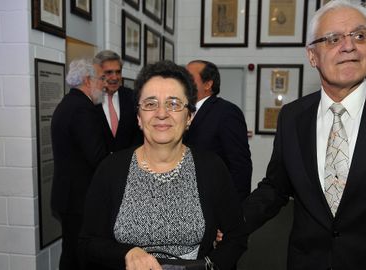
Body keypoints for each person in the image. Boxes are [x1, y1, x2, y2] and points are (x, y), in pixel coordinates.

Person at [242, 1, 366, 269]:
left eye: (359, 36)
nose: (348, 46)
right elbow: (276, 186)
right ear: (312, 55)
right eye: (333, 39)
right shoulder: (293, 117)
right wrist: (235, 220)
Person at [79, 61, 247, 270]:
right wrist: (126, 253)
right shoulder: (111, 169)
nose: (161, 113)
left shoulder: (211, 167)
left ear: (189, 117)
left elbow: (236, 237)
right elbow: (88, 242)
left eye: (174, 104)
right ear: (139, 117)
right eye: (150, 104)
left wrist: (209, 265)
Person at [51, 58, 109, 270]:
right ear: (87, 80)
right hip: (79, 200)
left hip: (68, 198)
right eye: (101, 78)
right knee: (79, 258)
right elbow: (97, 157)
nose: (104, 84)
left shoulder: (67, 104)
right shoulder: (83, 109)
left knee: (70, 253)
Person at [184, 60, 252, 202]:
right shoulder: (181, 111)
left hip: (215, 200)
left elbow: (240, 165)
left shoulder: (227, 112)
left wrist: (236, 209)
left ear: (208, 84)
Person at [94, 50, 142, 153]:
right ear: (98, 73)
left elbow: (139, 132)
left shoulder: (132, 96)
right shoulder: (91, 99)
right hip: (99, 166)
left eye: (118, 72)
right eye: (109, 72)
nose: (115, 77)